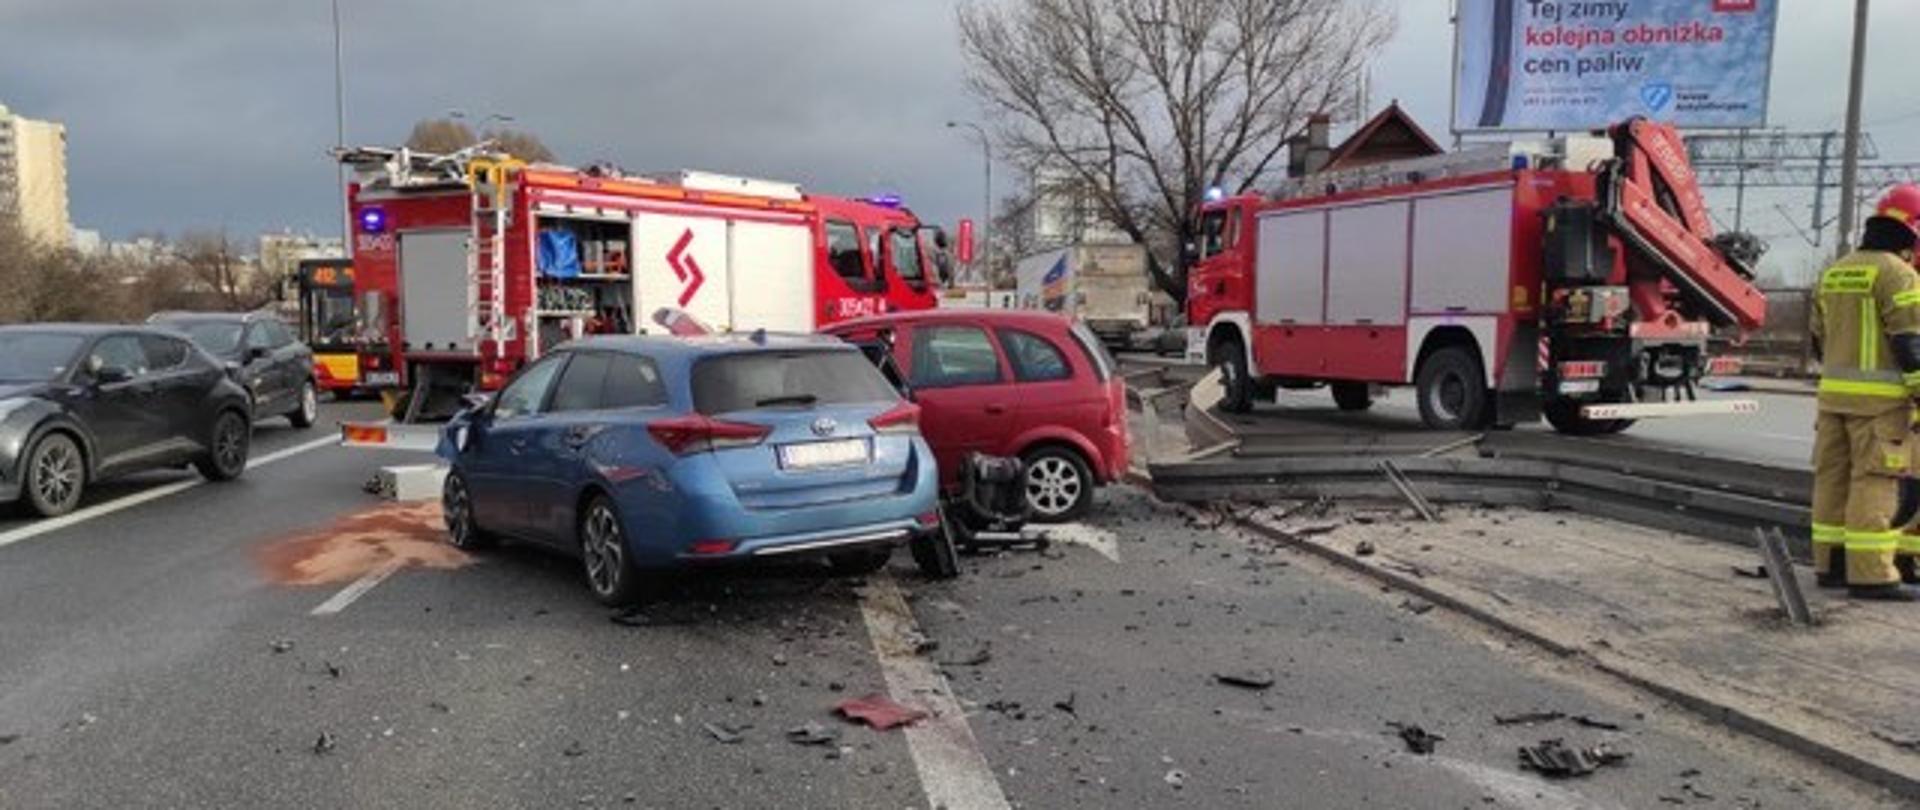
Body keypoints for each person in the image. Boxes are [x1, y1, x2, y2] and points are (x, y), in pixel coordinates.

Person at [1810, 184, 1920, 600]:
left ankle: (1831, 565)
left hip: (1833, 398)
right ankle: (1872, 574)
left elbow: (1819, 339)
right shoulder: (1898, 273)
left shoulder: (1836, 271)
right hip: (1879, 405)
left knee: (1832, 481)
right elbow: (1910, 344)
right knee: (1875, 482)